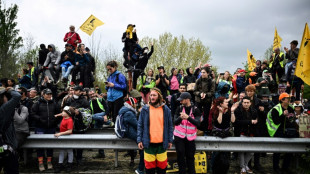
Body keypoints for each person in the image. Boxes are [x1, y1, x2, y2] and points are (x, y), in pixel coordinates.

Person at [137, 88, 173, 174]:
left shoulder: (166, 109)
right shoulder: (145, 109)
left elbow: (170, 126)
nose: (152, 97)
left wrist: (170, 140)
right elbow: (140, 125)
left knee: (162, 169)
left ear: (159, 97)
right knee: (149, 170)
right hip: (148, 145)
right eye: (151, 95)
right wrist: (139, 140)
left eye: (154, 95)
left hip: (162, 145)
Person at [266, 93, 298, 173]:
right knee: (277, 151)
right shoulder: (275, 109)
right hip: (278, 132)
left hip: (289, 132)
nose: (289, 99)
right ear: (282, 100)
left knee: (289, 151)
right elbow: (276, 122)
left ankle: (285, 167)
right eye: (287, 98)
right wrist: (283, 115)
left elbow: (292, 120)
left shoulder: (291, 108)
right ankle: (276, 168)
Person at [31, 88, 61, 171]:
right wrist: (40, 119)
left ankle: (49, 162)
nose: (49, 95)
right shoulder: (37, 103)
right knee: (40, 145)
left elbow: (59, 114)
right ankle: (40, 163)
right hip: (40, 127)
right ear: (43, 95)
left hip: (51, 128)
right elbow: (32, 114)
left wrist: (55, 121)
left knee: (50, 145)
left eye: (50, 94)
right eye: (47, 94)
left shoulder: (54, 103)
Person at [173, 92, 201, 174]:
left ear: (187, 100)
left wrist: (188, 118)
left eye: (182, 100)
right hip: (179, 137)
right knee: (180, 156)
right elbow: (175, 122)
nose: (180, 102)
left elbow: (198, 123)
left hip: (190, 138)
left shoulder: (196, 110)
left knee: (190, 157)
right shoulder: (179, 108)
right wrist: (180, 118)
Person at [63, 86, 90, 165]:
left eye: (76, 90)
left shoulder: (84, 100)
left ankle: (79, 158)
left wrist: (80, 113)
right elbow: (64, 109)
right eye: (74, 90)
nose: (74, 91)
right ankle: (69, 158)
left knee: (80, 142)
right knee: (70, 142)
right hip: (70, 123)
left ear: (81, 92)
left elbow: (88, 111)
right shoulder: (69, 100)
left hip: (80, 124)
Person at [210, 97, 237, 174]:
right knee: (216, 154)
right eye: (225, 102)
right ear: (221, 104)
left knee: (226, 154)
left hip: (226, 133)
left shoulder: (229, 110)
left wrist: (232, 112)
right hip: (217, 134)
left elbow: (233, 121)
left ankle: (225, 170)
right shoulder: (214, 110)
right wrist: (221, 112)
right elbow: (219, 122)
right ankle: (214, 170)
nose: (227, 103)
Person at [234, 96, 258, 174]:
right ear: (242, 103)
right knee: (242, 151)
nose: (246, 104)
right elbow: (237, 122)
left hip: (251, 133)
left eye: (248, 102)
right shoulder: (238, 110)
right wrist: (250, 122)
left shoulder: (254, 111)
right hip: (241, 133)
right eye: (245, 102)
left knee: (251, 152)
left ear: (250, 103)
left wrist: (254, 122)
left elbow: (256, 121)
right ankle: (243, 168)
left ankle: (244, 165)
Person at [0, 87, 21, 174]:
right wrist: (10, 90)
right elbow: (17, 96)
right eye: (6, 96)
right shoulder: (3, 109)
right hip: (7, 146)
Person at [194, 66, 215, 132]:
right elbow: (194, 91)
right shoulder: (198, 80)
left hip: (207, 101)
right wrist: (200, 94)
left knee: (206, 116)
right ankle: (198, 129)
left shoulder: (212, 81)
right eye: (201, 72)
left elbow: (212, 92)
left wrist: (206, 95)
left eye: (204, 72)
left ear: (208, 73)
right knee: (198, 115)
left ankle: (205, 130)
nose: (202, 74)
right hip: (198, 100)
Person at [54, 106, 75, 173]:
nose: (62, 113)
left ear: (68, 113)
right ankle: (60, 164)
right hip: (63, 137)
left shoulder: (69, 120)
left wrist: (60, 134)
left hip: (68, 137)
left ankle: (70, 164)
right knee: (61, 151)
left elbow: (69, 131)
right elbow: (62, 114)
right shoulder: (64, 116)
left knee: (69, 151)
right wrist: (57, 115)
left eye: (63, 112)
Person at [119, 97, 139, 167]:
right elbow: (136, 124)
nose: (137, 105)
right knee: (143, 141)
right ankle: (143, 162)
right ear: (132, 104)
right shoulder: (129, 113)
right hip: (129, 132)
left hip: (127, 131)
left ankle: (132, 159)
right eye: (136, 103)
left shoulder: (125, 109)